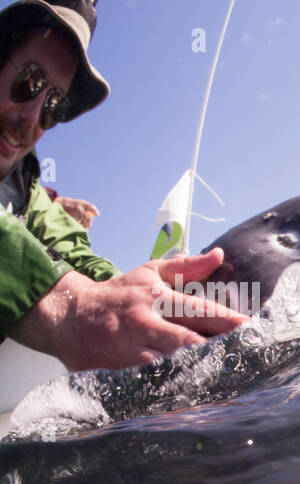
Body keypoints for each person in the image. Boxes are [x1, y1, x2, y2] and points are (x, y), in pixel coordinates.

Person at [0, 0, 247, 373]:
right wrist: (72, 307)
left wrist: (146, 300)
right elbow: (79, 300)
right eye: (29, 81)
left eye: (53, 103)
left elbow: (77, 258)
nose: (32, 117)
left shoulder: (29, 196)